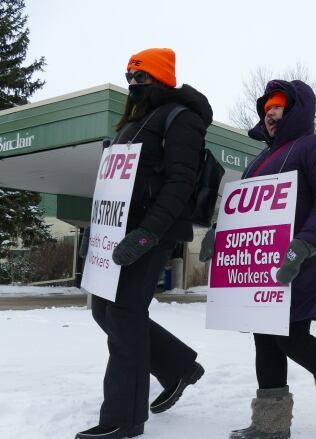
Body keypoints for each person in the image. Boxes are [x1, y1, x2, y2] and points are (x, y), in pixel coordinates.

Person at [202, 79, 316, 439]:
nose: (270, 112)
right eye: (267, 106)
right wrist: (219, 233)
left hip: (302, 259)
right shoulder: (259, 161)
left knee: (291, 338)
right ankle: (270, 425)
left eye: (279, 105)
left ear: (297, 108)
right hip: (261, 264)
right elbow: (244, 210)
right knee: (265, 339)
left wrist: (304, 244)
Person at [76, 48, 209, 439]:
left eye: (142, 77)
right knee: (104, 309)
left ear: (161, 79)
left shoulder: (179, 119)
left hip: (153, 233)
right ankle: (179, 367)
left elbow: (180, 182)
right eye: (130, 77)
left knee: (124, 314)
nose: (134, 84)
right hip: (118, 233)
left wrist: (148, 233)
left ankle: (123, 416)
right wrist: (95, 234)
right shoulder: (134, 124)